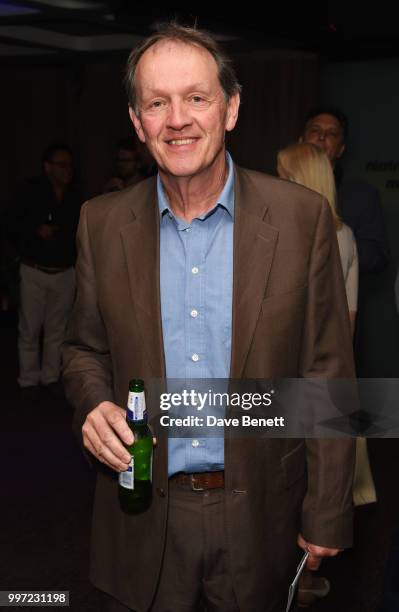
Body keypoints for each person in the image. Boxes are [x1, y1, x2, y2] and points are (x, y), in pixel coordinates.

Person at [63, 24, 355, 612]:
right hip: (142, 509)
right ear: (137, 120)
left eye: (197, 98)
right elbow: (82, 350)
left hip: (262, 511)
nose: (177, 119)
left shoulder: (302, 220)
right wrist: (93, 403)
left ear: (232, 108)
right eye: (156, 103)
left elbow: (326, 373)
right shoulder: (100, 222)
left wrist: (328, 511)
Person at [9, 143, 81, 398]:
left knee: (57, 330)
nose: (67, 170)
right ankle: (28, 379)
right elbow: (12, 224)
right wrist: (35, 231)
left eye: (70, 165)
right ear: (47, 167)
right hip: (34, 270)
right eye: (61, 165)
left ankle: (51, 376)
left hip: (65, 271)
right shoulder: (29, 191)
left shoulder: (75, 195)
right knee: (29, 328)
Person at [277, 141, 358, 336]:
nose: (274, 186)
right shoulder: (345, 234)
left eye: (281, 178)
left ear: (299, 181)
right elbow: (348, 317)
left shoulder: (284, 234)